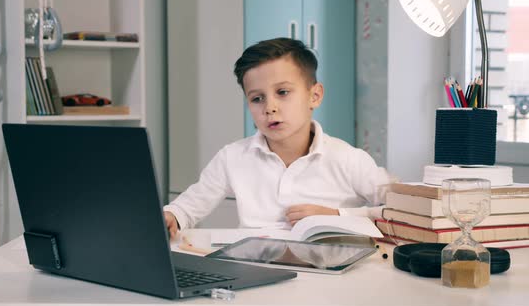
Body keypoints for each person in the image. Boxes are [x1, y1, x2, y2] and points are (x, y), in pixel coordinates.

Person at [163, 37, 392, 239]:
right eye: (257, 98)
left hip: (328, 278)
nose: (269, 107)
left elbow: (407, 211)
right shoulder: (232, 157)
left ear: (314, 96)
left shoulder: (349, 159)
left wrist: (337, 215)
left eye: (282, 93)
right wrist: (174, 215)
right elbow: (190, 205)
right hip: (255, 270)